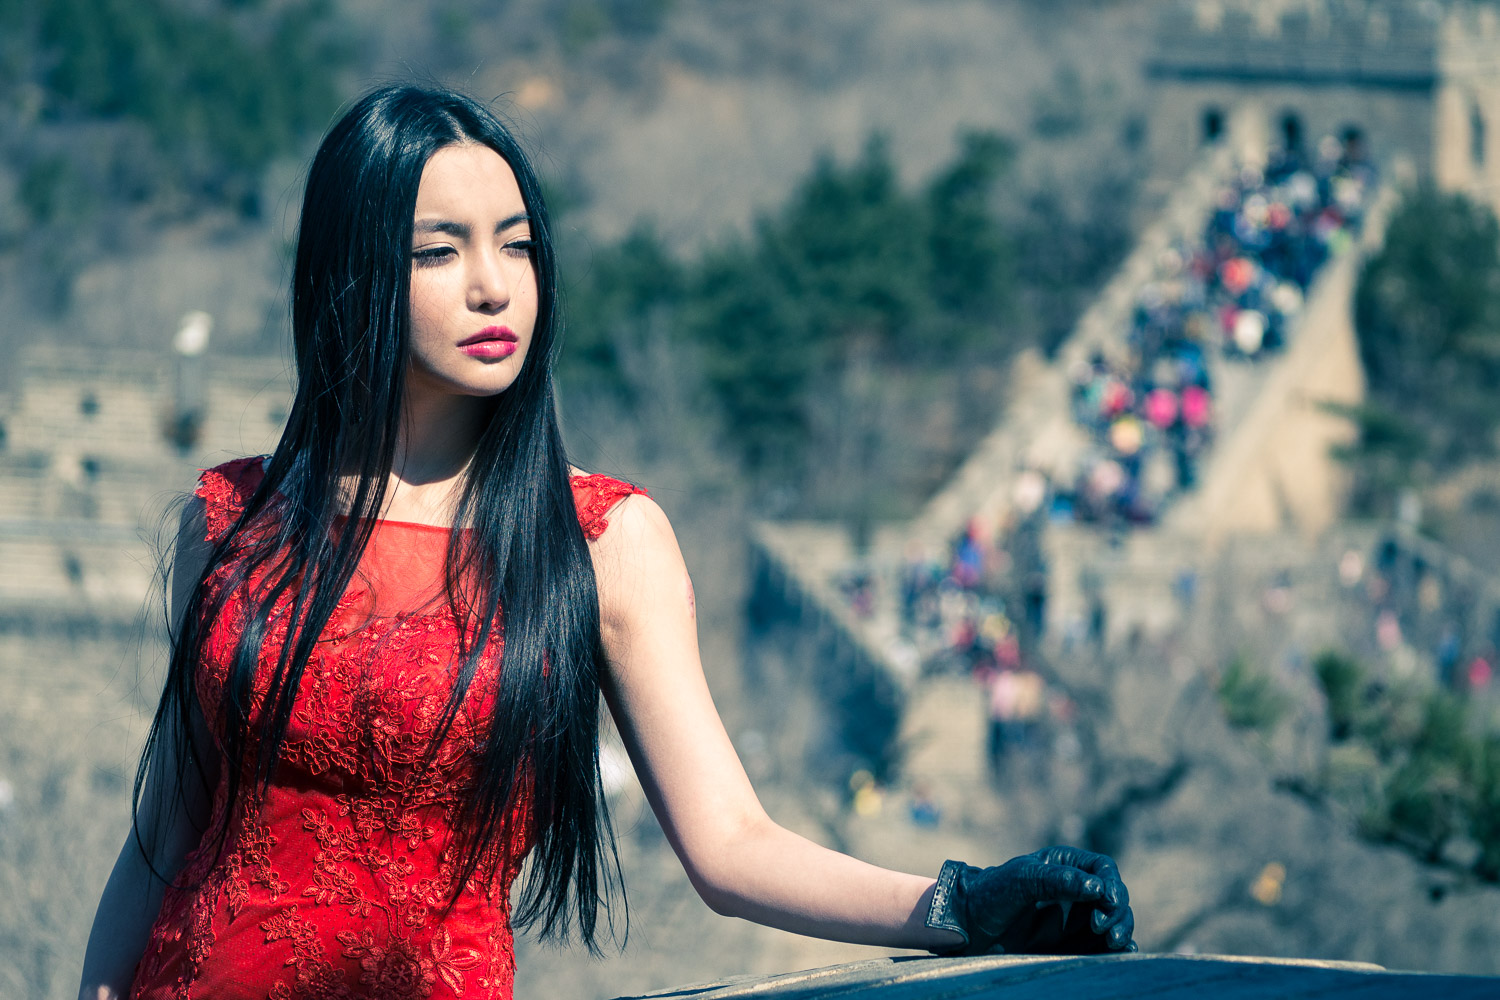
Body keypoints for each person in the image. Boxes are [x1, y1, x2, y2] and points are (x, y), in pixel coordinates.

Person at [79, 85, 1135, 1000]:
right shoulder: (227, 520)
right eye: (441, 250)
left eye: (519, 245)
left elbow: (731, 845)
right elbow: (167, 835)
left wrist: (963, 900)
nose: (496, 285)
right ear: (352, 274)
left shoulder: (601, 540)